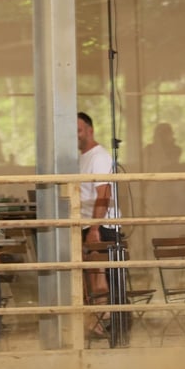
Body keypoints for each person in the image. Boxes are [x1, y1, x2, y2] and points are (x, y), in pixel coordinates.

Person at [77, 112, 121, 298]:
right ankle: (99, 324)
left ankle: (114, 322)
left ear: (90, 130)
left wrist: (95, 228)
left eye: (78, 130)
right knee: (92, 277)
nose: (75, 136)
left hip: (102, 226)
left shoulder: (99, 157)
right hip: (88, 224)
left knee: (102, 280)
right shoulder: (82, 158)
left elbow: (104, 193)